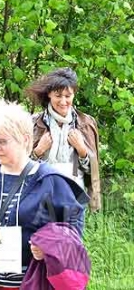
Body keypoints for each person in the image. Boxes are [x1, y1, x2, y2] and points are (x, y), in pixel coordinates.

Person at [0, 101, 89, 290]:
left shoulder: (50, 181)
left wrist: (49, 248)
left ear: (25, 139)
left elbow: (73, 229)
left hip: (39, 282)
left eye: (3, 141)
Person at [26, 67, 101, 212]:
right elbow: (20, 167)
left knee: (70, 235)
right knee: (43, 235)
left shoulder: (85, 123)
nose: (63, 101)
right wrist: (38, 151)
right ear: (49, 94)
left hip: (74, 197)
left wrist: (82, 150)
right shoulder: (33, 123)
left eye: (68, 96)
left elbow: (93, 171)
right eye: (58, 96)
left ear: (74, 95)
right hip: (41, 197)